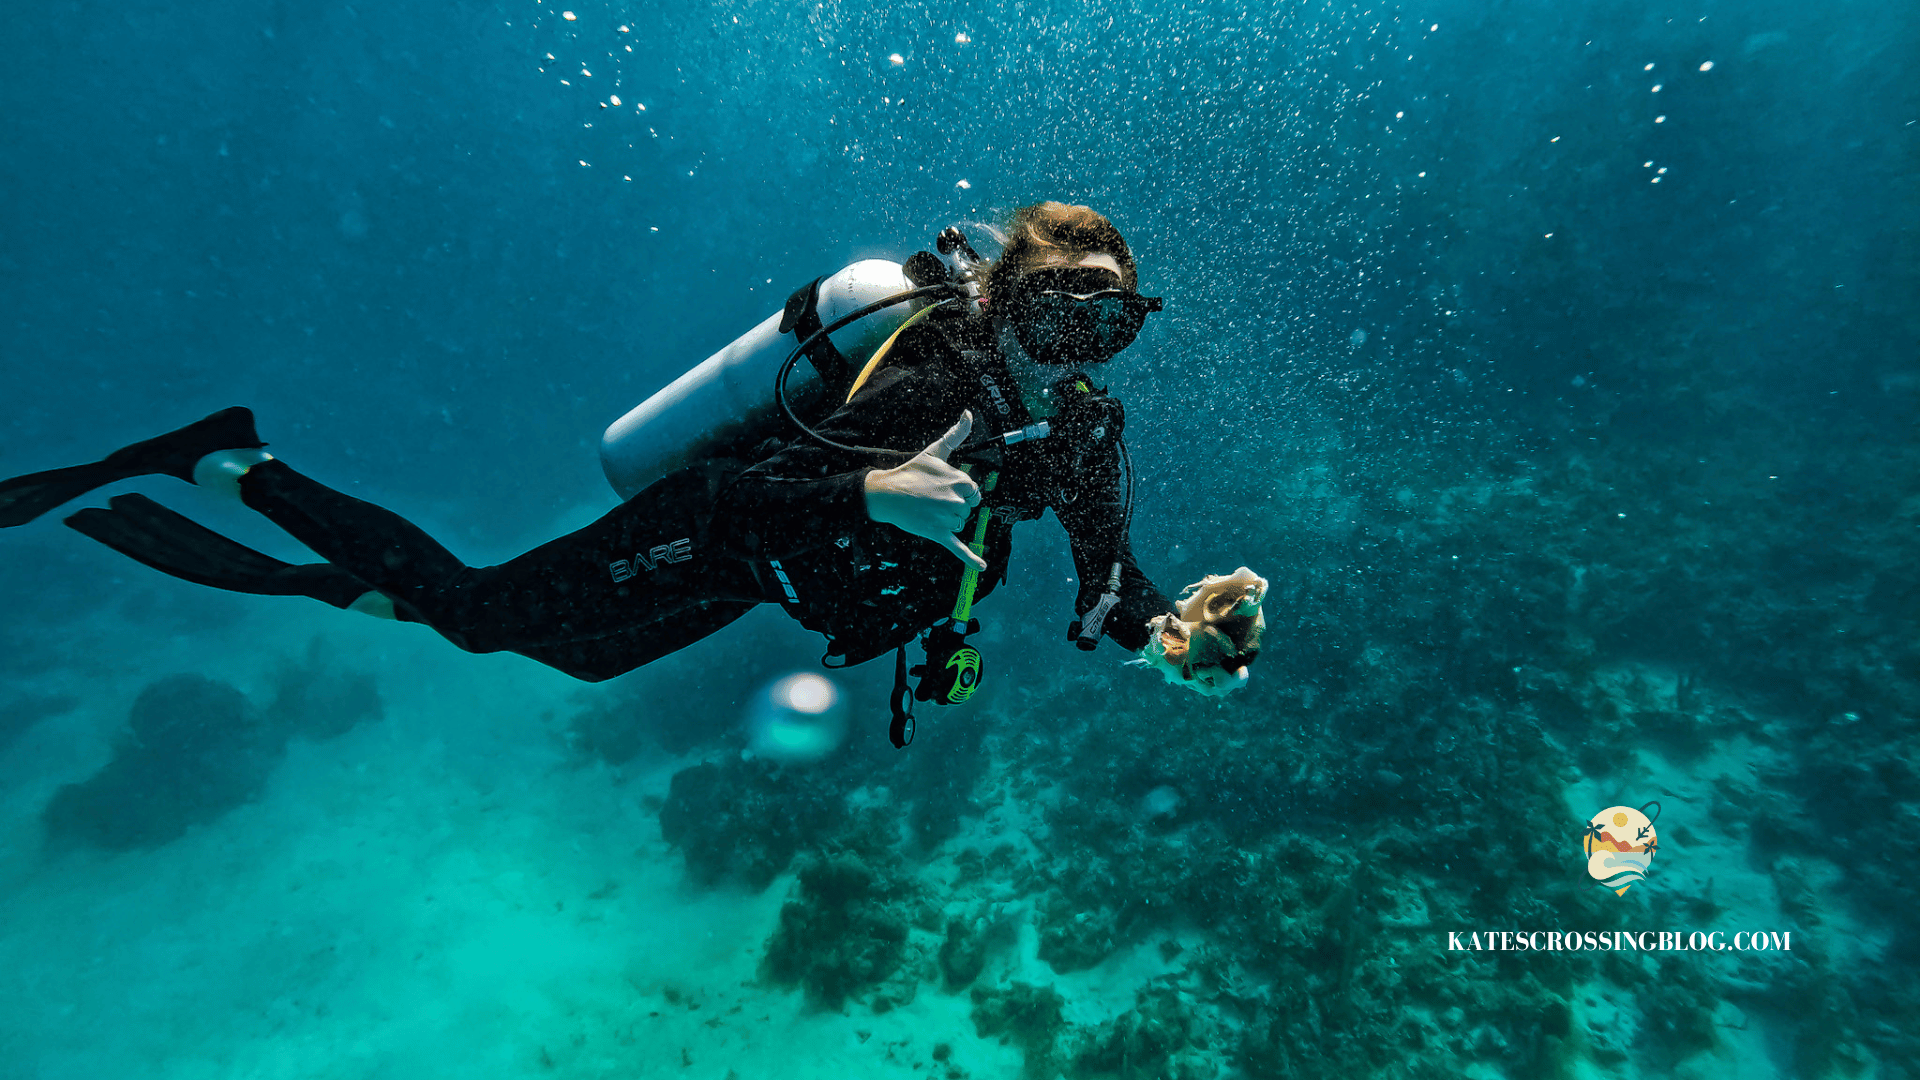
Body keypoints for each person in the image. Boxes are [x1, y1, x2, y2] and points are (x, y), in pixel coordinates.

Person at [0, 202, 1259, 706]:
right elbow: (726, 490)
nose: (1085, 337)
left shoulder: (1084, 426)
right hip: (716, 531)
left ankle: (357, 566)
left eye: (1114, 319)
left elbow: (1108, 570)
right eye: (1065, 304)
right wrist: (868, 483)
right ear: (1010, 299)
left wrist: (1163, 626)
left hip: (763, 581)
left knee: (585, 666)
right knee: (487, 617)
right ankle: (239, 463)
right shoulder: (928, 373)